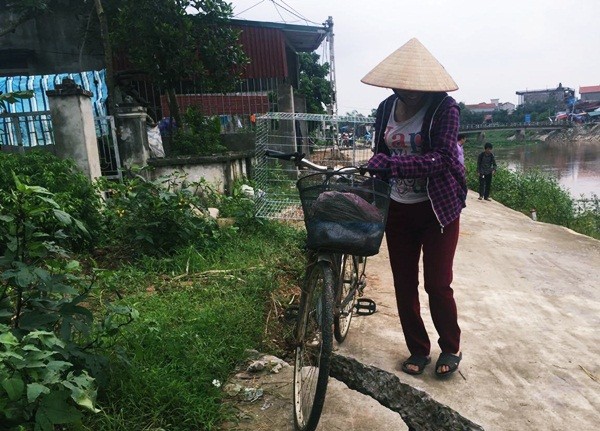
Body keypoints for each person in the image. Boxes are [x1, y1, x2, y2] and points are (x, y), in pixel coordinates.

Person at [363, 38, 467, 377]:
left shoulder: (445, 108)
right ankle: (418, 349)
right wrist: (375, 167)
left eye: (413, 86)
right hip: (398, 209)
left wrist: (396, 166)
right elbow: (382, 151)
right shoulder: (384, 109)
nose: (406, 91)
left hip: (438, 209)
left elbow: (444, 158)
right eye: (400, 85)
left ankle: (450, 347)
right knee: (403, 283)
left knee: (437, 284)